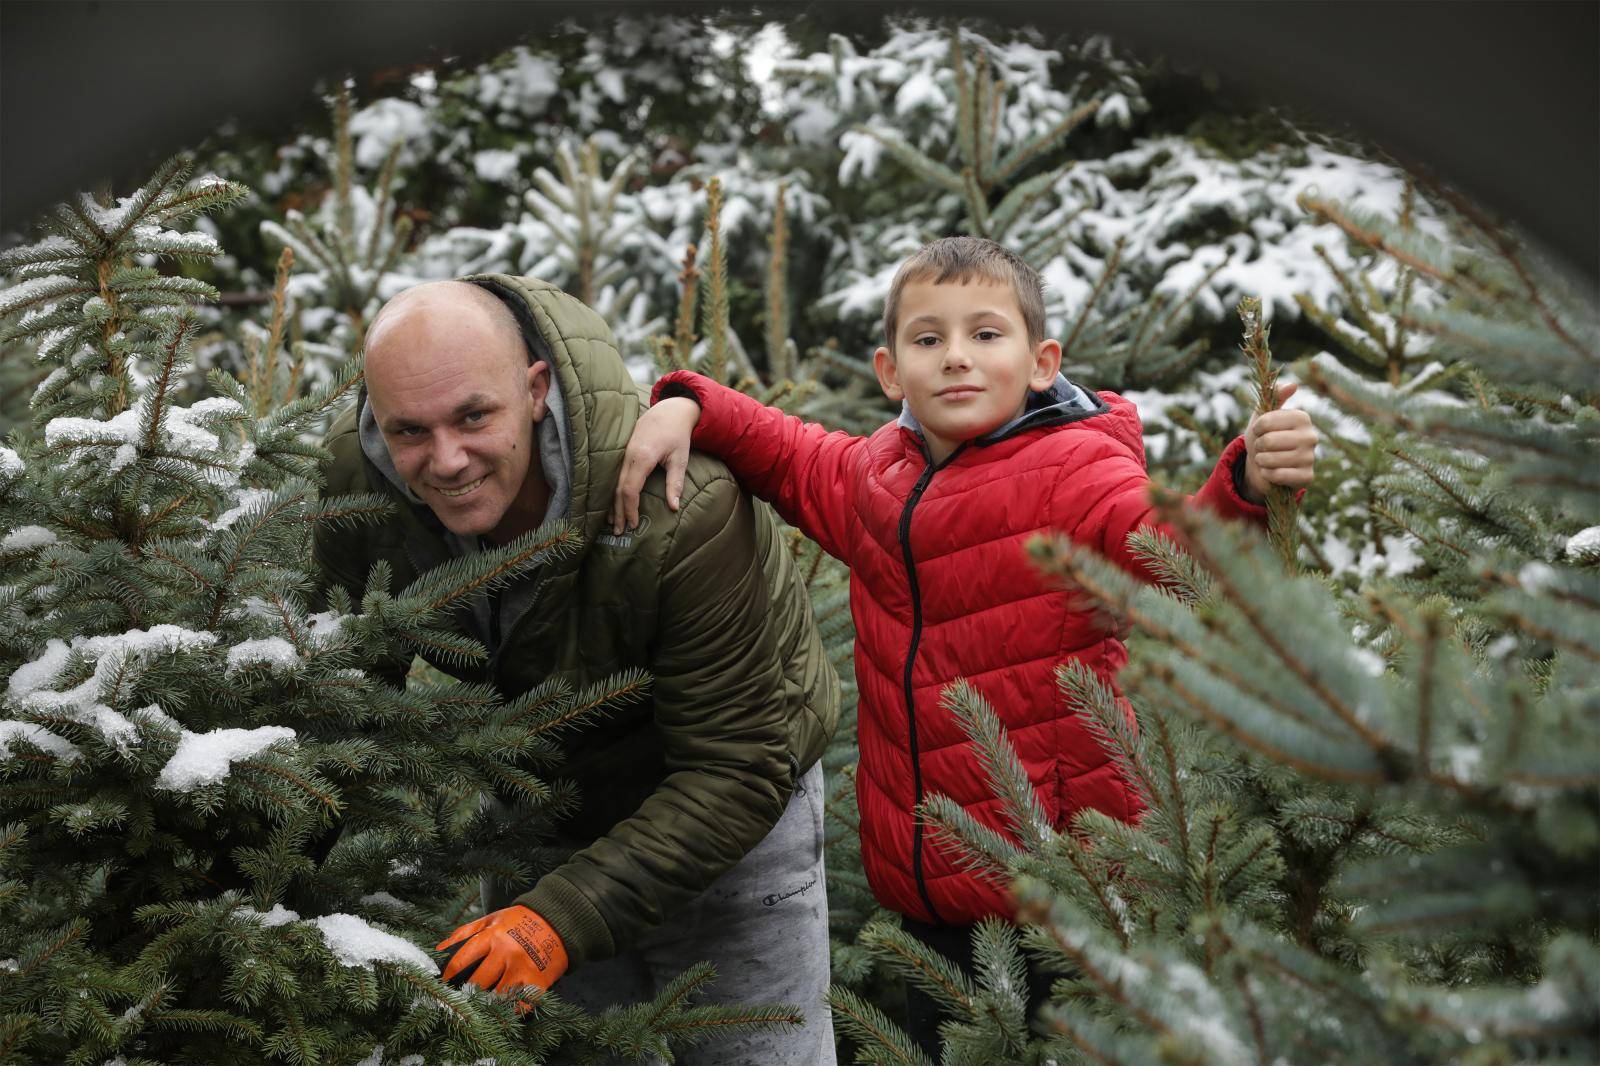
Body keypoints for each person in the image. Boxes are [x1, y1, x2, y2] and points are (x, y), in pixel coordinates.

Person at [612, 235, 1319, 1052]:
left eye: (986, 335)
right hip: (930, 908)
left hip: (1065, 900)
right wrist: (690, 402)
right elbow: (789, 452)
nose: (957, 358)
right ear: (890, 371)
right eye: (928, 339)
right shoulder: (878, 480)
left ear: (1042, 360)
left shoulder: (1076, 473)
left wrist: (1245, 485)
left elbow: (1168, 552)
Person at [312, 275, 840, 1064]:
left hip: (733, 818)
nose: (445, 460)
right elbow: (339, 704)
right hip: (540, 809)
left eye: (473, 417)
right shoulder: (362, 484)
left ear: (535, 388)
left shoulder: (680, 506)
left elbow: (738, 764)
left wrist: (558, 918)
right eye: (409, 431)